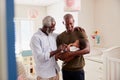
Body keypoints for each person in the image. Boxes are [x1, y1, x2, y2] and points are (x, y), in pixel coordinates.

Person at [56, 13, 90, 80]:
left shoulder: (80, 32)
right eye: (67, 24)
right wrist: (66, 55)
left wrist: (71, 54)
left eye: (71, 23)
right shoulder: (60, 37)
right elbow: (60, 56)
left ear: (74, 21)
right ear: (63, 23)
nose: (69, 26)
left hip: (78, 70)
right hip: (66, 70)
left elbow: (88, 50)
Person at [30, 16, 61, 80]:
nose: (54, 29)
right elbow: (40, 57)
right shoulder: (36, 38)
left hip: (55, 72)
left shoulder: (53, 35)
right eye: (52, 27)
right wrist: (57, 51)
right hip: (44, 75)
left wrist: (75, 29)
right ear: (46, 27)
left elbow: (64, 35)